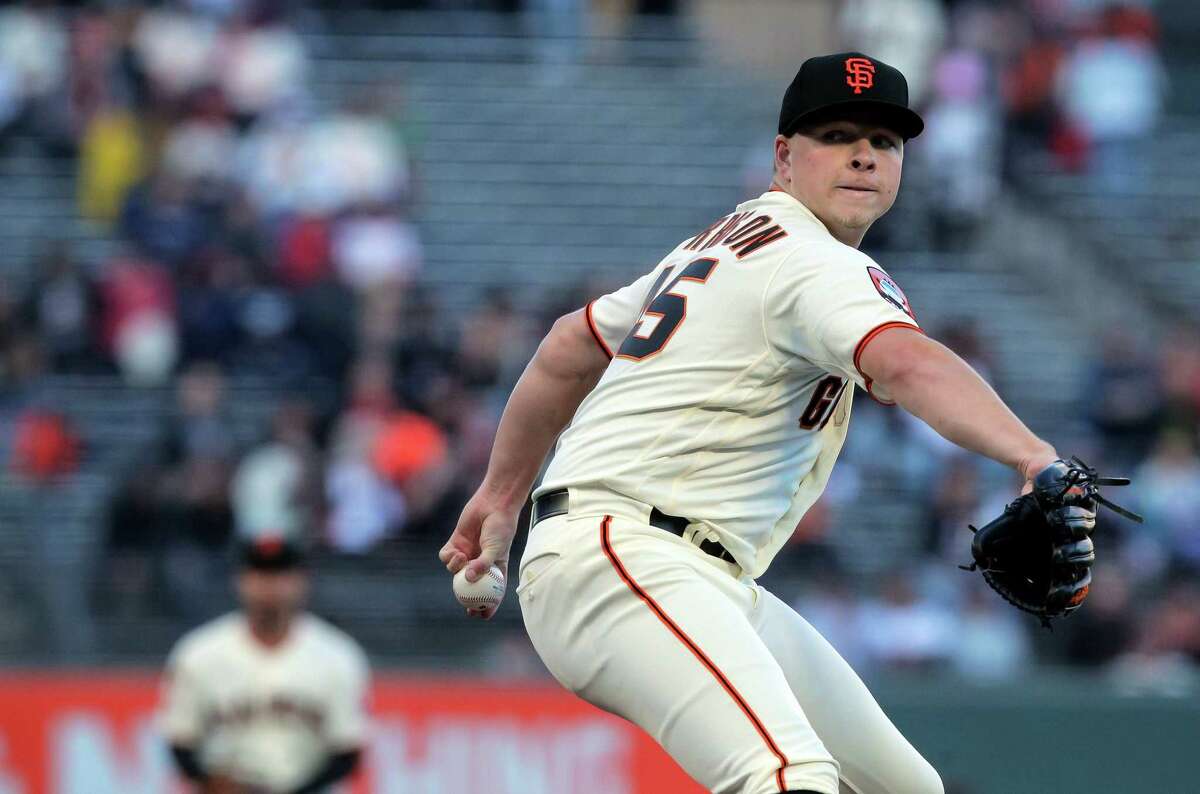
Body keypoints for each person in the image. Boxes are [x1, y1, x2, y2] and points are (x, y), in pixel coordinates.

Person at [440, 51, 1064, 794]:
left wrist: (505, 493)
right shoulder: (810, 259)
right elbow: (907, 364)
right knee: (787, 776)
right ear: (783, 157)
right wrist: (1035, 456)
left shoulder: (729, 241)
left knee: (904, 789)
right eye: (836, 134)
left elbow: (570, 346)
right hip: (627, 557)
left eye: (886, 142)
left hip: (687, 571)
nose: (864, 153)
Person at [161, 536, 370, 793]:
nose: (270, 587)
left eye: (281, 575)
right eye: (260, 575)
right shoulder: (198, 653)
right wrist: (209, 780)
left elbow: (347, 752)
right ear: (240, 581)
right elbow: (180, 741)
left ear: (302, 582)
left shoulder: (338, 655)